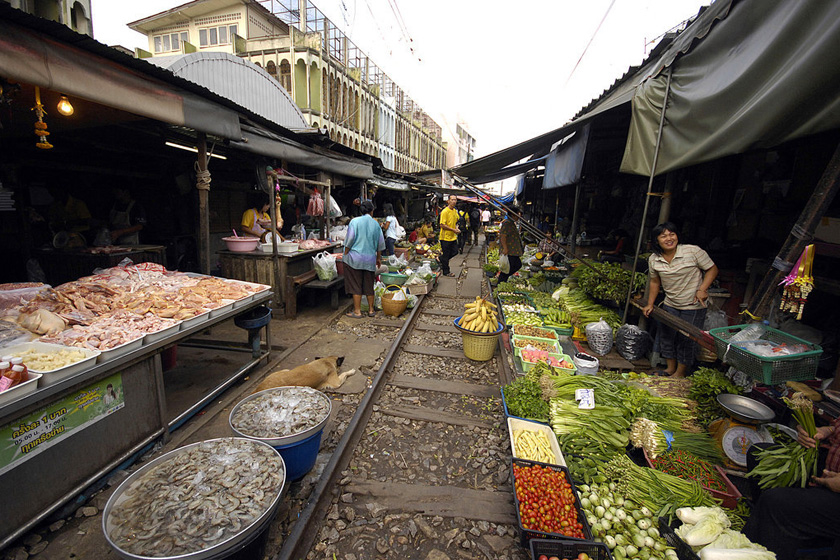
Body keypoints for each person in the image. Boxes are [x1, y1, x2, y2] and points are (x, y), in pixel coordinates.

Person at [743, 419, 840, 558]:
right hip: (828, 466)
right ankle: (767, 532)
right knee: (758, 455)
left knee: (777, 502)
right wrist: (826, 431)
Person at [642, 222, 718, 378]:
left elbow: (712, 269)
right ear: (657, 240)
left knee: (687, 339)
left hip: (693, 306)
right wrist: (650, 304)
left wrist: (702, 289)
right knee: (667, 336)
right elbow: (655, 282)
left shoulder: (693, 251)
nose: (669, 238)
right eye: (663, 236)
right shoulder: (654, 259)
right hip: (670, 304)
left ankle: (680, 373)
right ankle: (670, 368)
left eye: (672, 234)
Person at [343, 200, 385, 318]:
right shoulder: (376, 224)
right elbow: (380, 244)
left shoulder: (354, 222)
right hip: (370, 260)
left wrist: (345, 253)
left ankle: (357, 311)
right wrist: (378, 258)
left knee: (356, 285)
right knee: (368, 285)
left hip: (355, 259)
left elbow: (350, 239)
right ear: (371, 211)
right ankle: (371, 310)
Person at [438, 195, 461, 277]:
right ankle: (446, 271)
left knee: (455, 252)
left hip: (453, 237)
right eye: (452, 200)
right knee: (446, 254)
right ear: (448, 201)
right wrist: (453, 230)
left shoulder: (455, 211)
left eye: (455, 200)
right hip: (445, 237)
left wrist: (456, 228)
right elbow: (442, 225)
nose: (454, 201)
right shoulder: (445, 212)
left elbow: (456, 221)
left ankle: (441, 259)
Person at [498, 213, 524, 282]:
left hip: (514, 251)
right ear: (513, 215)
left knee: (515, 265)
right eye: (517, 215)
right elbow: (503, 236)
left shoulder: (512, 223)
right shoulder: (507, 223)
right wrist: (505, 248)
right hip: (510, 251)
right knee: (509, 268)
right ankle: (501, 283)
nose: (519, 217)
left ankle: (503, 281)